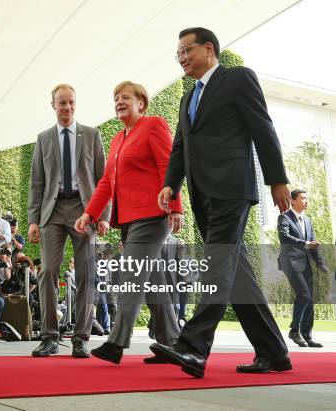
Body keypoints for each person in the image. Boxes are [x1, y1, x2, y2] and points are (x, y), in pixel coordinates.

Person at [151, 27, 292, 378]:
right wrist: (171, 184)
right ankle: (274, 352)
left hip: (232, 188)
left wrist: (277, 180)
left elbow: (263, 128)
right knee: (237, 274)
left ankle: (193, 347)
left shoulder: (238, 78)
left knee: (217, 264)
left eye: (186, 50)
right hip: (203, 194)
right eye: (178, 54)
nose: (181, 58)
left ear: (209, 49)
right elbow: (181, 147)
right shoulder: (187, 98)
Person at [75, 81, 183, 364]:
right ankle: (171, 341)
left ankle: (116, 342)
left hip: (152, 215)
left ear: (141, 103)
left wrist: (176, 207)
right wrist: (90, 213)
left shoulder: (154, 125)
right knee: (152, 280)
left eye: (125, 97)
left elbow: (168, 167)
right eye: (115, 98)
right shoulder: (117, 140)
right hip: (128, 221)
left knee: (130, 276)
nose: (119, 102)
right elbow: (106, 183)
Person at [28, 83, 110, 358]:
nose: (67, 107)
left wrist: (103, 216)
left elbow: (103, 180)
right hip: (52, 212)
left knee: (87, 273)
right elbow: (37, 182)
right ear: (53, 105)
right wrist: (33, 220)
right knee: (48, 271)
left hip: (84, 210)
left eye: (72, 102)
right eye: (62, 103)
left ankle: (81, 338)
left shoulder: (92, 135)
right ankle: (50, 336)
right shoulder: (43, 138)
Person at [278, 189, 327, 348]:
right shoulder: (284, 218)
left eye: (307, 198)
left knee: (310, 299)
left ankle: (307, 335)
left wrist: (322, 265)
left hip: (305, 264)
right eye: (303, 198)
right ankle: (294, 330)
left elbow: (313, 245)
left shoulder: (307, 221)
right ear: (292, 201)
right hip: (290, 263)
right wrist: (305, 244)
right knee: (304, 294)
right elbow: (284, 237)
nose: (306, 201)